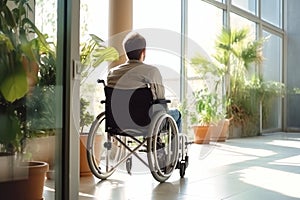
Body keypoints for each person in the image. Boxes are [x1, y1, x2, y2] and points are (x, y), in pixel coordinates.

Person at [107, 31, 182, 132]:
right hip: (147, 123)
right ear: (143, 51)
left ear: (126, 51)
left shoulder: (112, 73)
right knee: (177, 114)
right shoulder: (151, 72)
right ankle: (172, 146)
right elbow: (161, 99)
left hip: (118, 122)